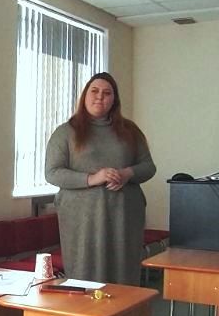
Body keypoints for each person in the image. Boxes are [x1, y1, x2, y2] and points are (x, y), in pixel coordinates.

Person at [45, 72, 156, 285]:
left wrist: (127, 174)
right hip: (81, 219)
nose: (100, 97)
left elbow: (148, 167)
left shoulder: (130, 131)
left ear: (114, 99)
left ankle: (124, 307)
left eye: (107, 93)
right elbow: (52, 172)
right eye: (94, 91)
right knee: (84, 277)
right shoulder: (66, 132)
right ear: (85, 95)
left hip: (124, 217)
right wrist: (93, 178)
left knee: (123, 275)